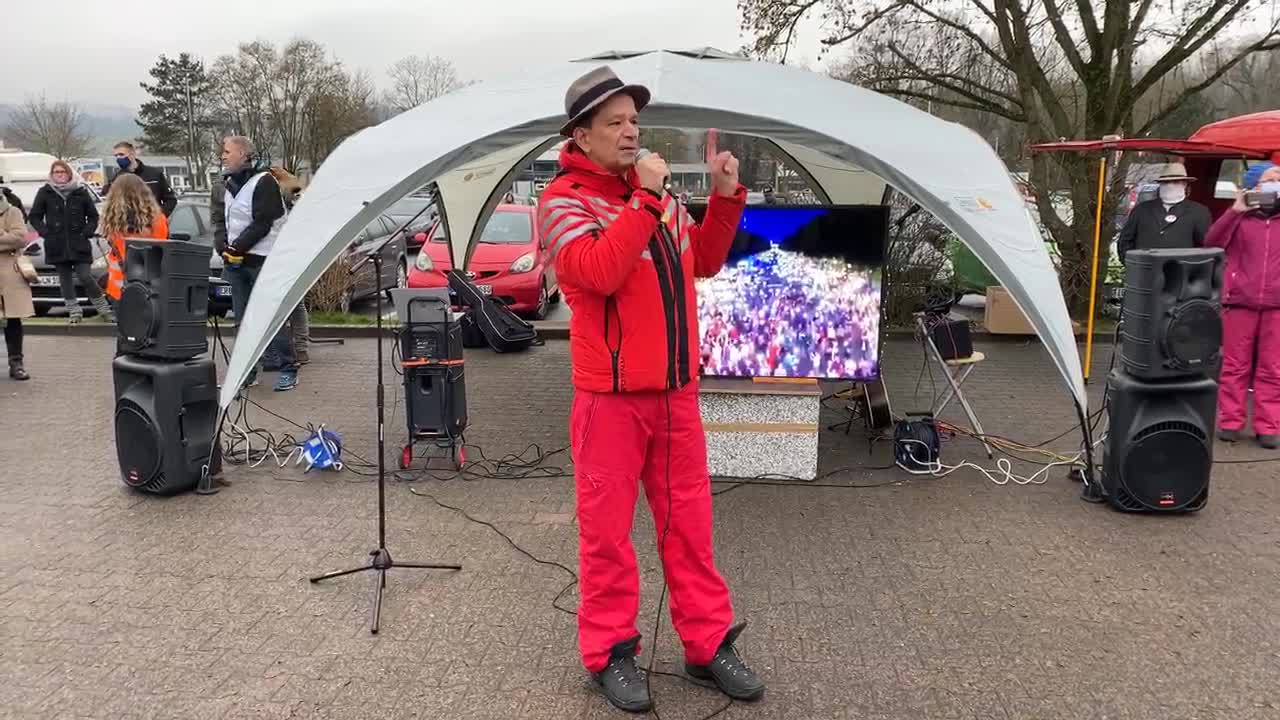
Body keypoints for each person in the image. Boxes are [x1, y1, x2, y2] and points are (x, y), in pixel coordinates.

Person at [536, 65, 763, 713]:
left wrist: (724, 198)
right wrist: (642, 200)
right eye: (615, 122)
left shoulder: (655, 199)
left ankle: (706, 644)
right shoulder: (563, 203)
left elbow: (704, 262)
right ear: (581, 135)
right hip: (608, 401)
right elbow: (598, 273)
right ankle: (610, 652)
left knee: (691, 528)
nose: (631, 132)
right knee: (606, 536)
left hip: (675, 395)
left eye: (634, 120)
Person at [1206, 165, 1280, 449]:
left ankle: (1268, 426)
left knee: (1273, 368)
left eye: (1279, 180)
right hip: (1239, 303)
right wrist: (1235, 209)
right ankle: (1230, 422)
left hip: (1276, 306)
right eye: (1269, 181)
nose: (1275, 185)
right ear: (1253, 187)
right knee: (1235, 366)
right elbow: (1212, 242)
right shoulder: (1239, 217)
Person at [218, 136, 297, 391]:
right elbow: (224, 221)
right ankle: (248, 372)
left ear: (243, 154)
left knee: (270, 317)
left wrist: (236, 247)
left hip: (262, 260)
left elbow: (263, 223)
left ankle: (288, 368)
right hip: (236, 263)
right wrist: (224, 248)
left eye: (228, 151)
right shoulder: (229, 184)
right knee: (241, 320)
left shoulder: (264, 183)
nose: (223, 156)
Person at [212, 167, 310, 365]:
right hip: (260, 254)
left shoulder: (282, 190)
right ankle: (277, 353)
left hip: (283, 252)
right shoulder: (231, 187)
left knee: (291, 303)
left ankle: (296, 350)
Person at [28, 161, 111, 324]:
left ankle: (104, 309)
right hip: (56, 244)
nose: (59, 174)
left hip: (79, 243)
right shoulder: (45, 192)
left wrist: (87, 232)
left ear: (69, 174)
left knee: (85, 276)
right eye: (56, 172)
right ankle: (74, 312)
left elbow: (93, 216)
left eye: (62, 172)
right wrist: (46, 233)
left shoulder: (80, 192)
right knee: (65, 279)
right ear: (51, 175)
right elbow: (35, 216)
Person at [1117, 162, 1212, 263]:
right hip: (1144, 272)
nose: (1170, 185)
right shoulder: (1142, 210)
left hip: (1181, 273)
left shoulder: (1199, 211)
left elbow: (1204, 246)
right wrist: (1131, 265)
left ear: (1184, 184)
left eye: (1175, 182)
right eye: (1165, 182)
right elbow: (1125, 241)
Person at [100, 174, 170, 304]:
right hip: (149, 285)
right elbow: (162, 247)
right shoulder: (157, 219)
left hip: (118, 286)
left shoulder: (112, 221)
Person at [1, 190, 33, 380]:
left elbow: (20, 238)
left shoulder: (12, 211)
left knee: (12, 319)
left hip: (7, 272)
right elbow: (11, 239)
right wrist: (6, 237)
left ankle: (16, 363)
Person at [106, 141, 177, 216]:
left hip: (153, 223)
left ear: (132, 154)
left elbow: (170, 199)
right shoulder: (117, 179)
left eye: (121, 154)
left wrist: (160, 215)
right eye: (116, 156)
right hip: (128, 225)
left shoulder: (154, 174)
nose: (118, 158)